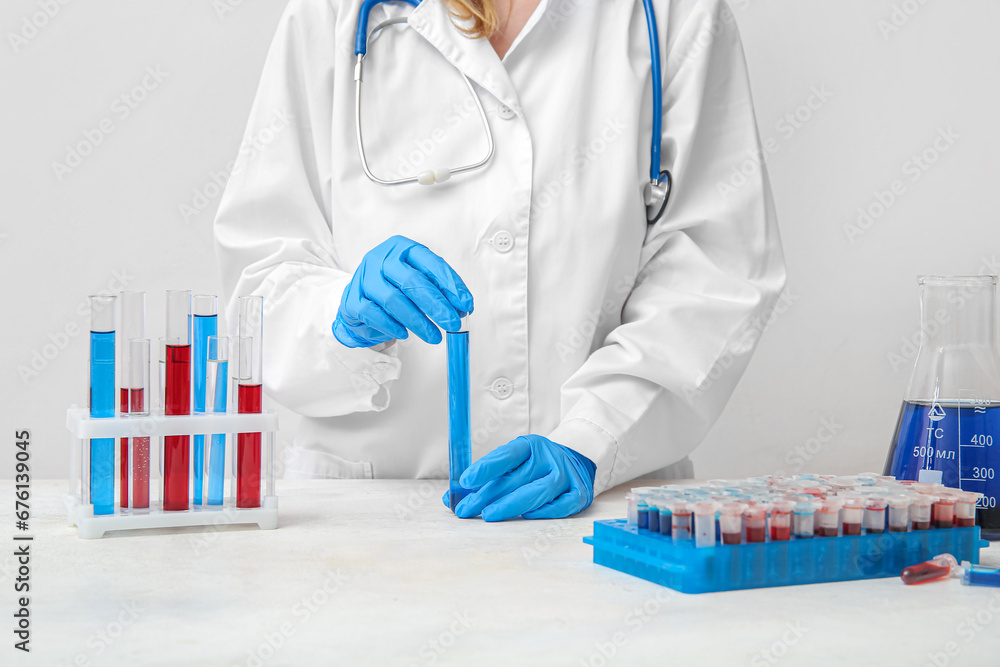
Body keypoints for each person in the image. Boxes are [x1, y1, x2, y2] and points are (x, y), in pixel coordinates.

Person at [214, 0, 786, 521]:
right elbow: (260, 278)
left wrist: (592, 438)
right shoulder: (327, 17)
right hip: (367, 523)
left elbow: (714, 275)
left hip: (593, 521)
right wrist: (338, 318)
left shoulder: (672, 16)